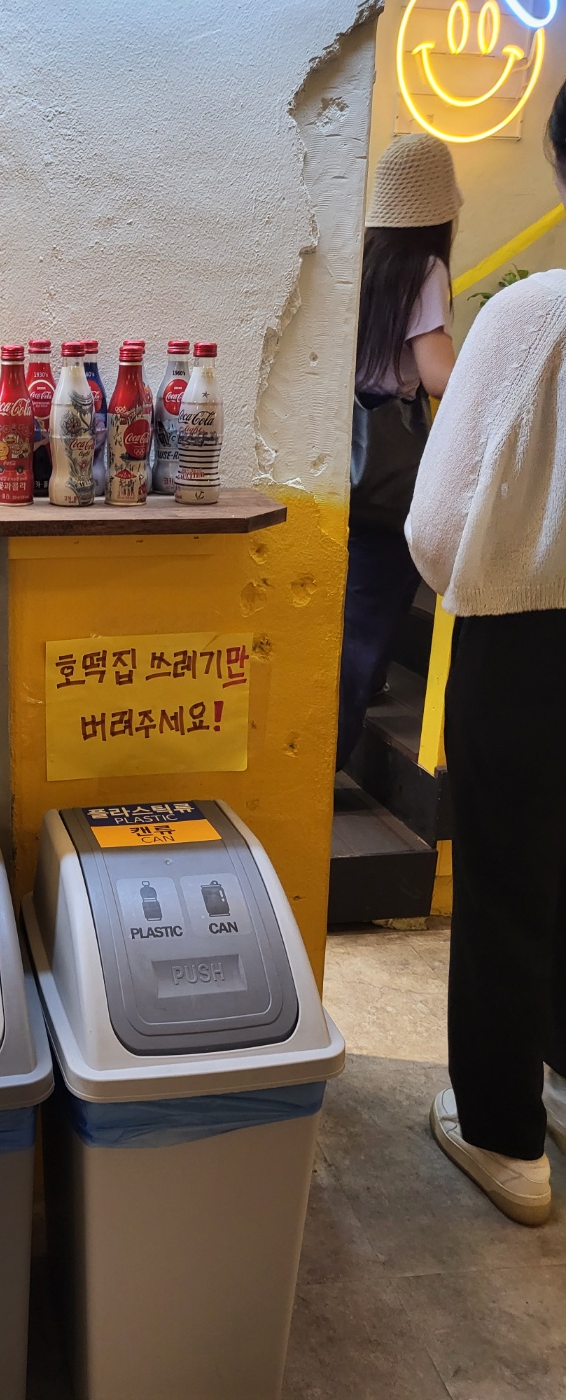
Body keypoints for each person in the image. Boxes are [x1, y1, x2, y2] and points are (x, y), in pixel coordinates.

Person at [407, 81, 566, 1227]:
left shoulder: (528, 314)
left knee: (508, 878)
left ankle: (507, 1139)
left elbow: (438, 521)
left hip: (527, 632)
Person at [337, 134, 460, 771]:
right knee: (367, 617)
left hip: (342, 450)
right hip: (389, 461)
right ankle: (329, 760)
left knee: (345, 615)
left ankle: (330, 739)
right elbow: (438, 376)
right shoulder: (425, 268)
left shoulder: (360, 259)